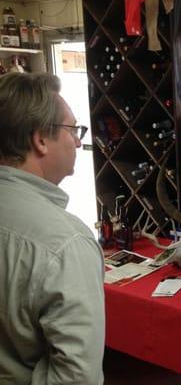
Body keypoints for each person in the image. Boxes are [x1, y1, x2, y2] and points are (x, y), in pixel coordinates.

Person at [0, 72, 105, 384]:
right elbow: (76, 378)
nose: (78, 140)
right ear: (40, 140)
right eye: (72, 129)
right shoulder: (65, 243)